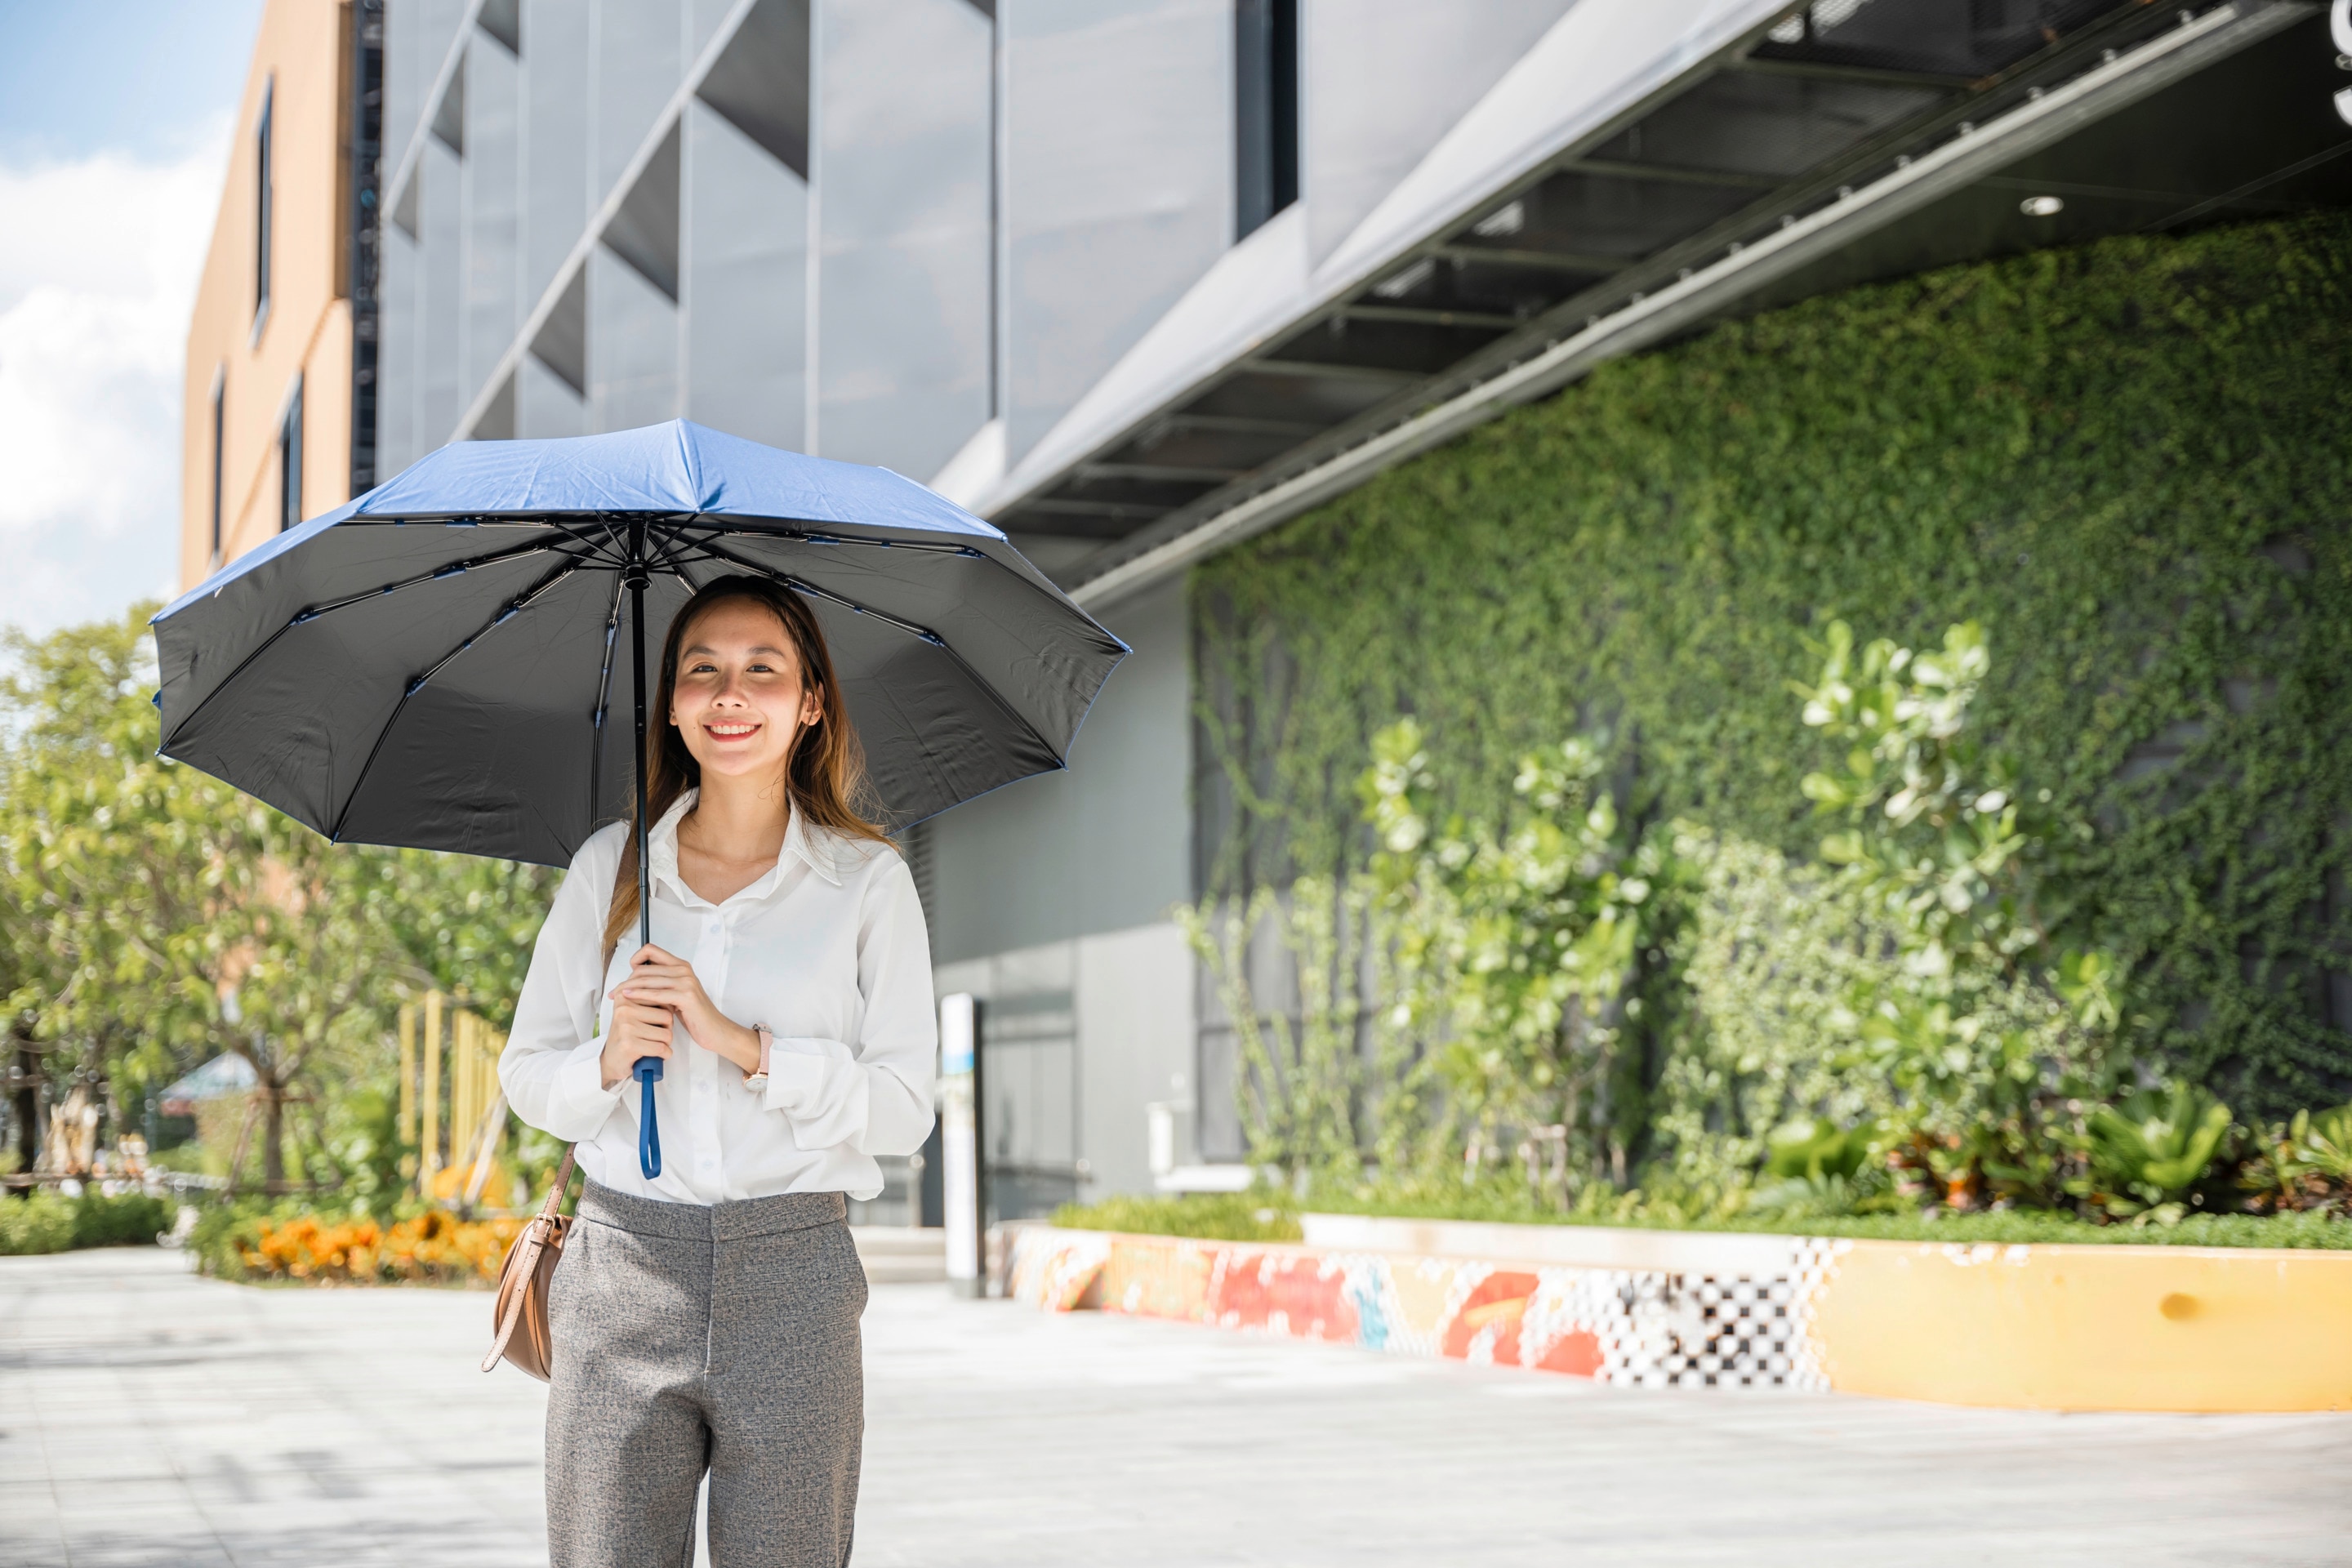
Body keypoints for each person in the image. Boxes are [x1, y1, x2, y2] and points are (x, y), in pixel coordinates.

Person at [500, 574, 936, 1568]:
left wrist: (746, 1045)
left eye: (761, 671)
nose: (729, 697)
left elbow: (906, 1109)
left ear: (811, 700)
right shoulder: (611, 869)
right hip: (620, 1271)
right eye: (702, 672)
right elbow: (526, 1071)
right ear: (672, 705)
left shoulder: (866, 883)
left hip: (795, 1277)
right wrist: (608, 1060)